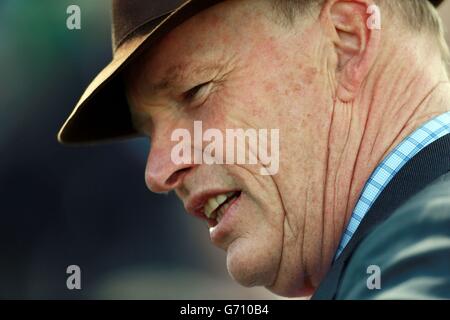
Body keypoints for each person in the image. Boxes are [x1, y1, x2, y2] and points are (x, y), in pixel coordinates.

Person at [58, 0, 450, 299]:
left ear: (347, 40)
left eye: (195, 91)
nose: (158, 172)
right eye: (148, 134)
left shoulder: (428, 242)